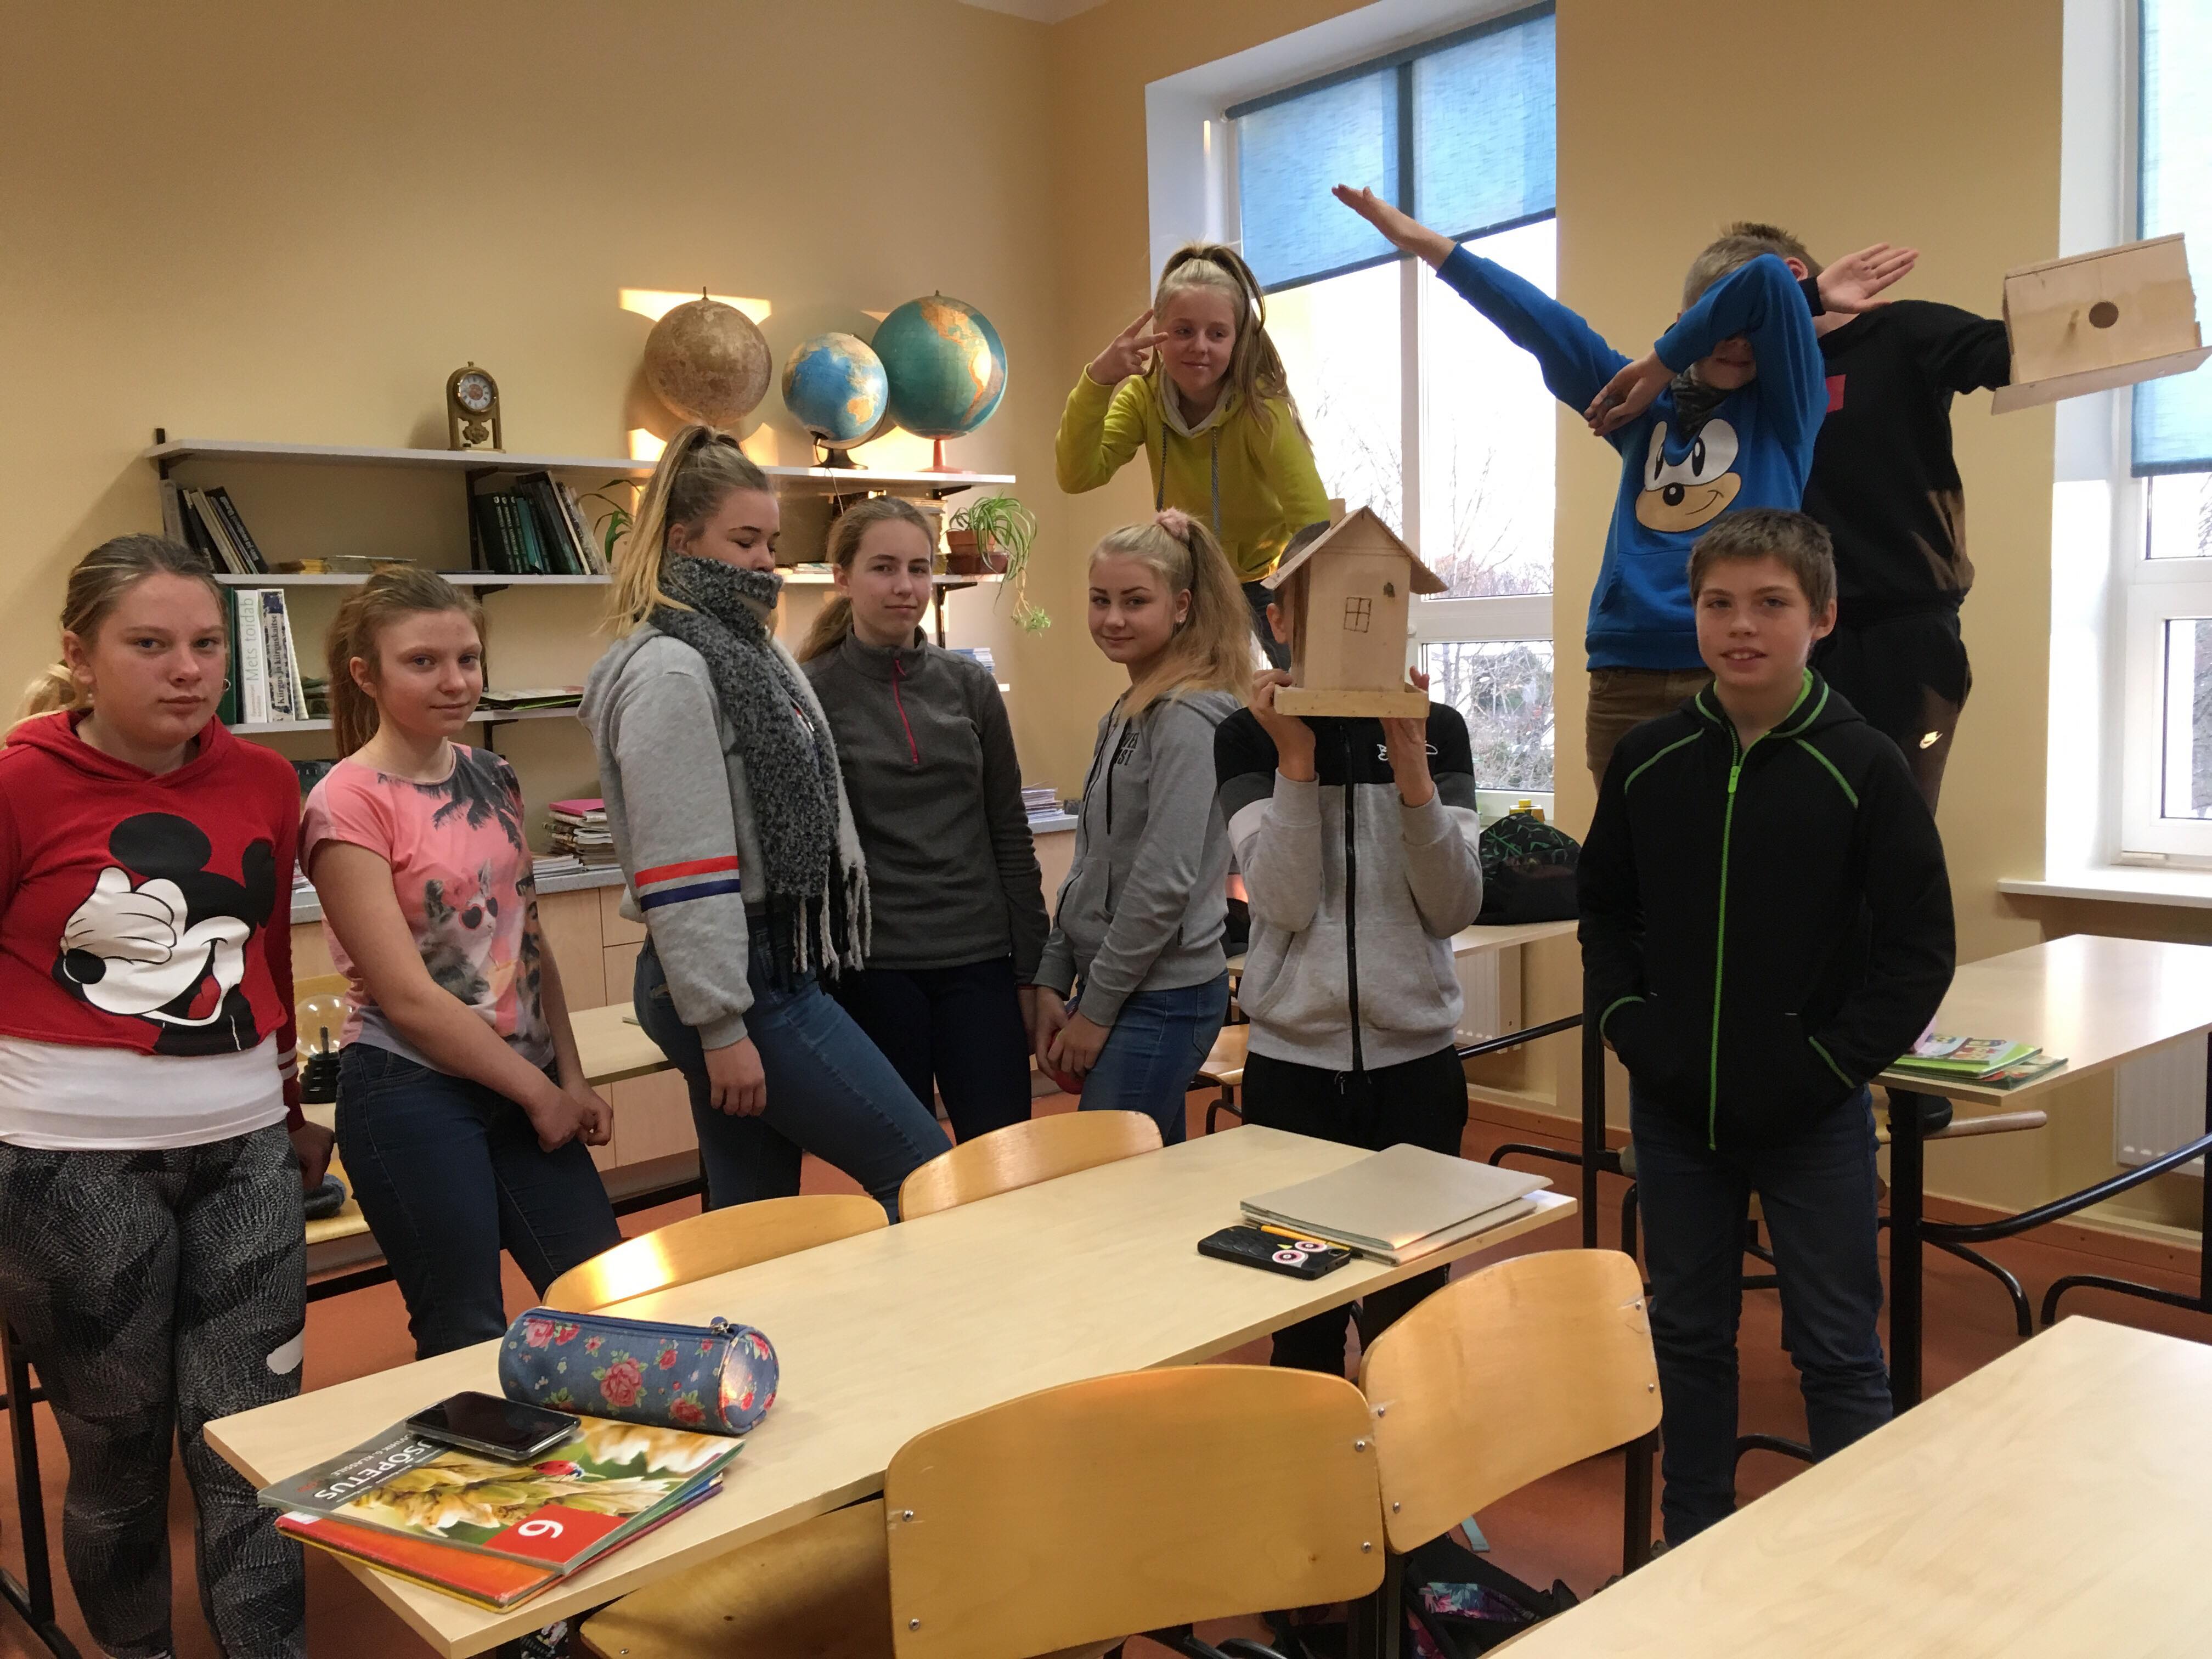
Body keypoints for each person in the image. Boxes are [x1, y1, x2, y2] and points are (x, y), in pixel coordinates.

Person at [1578, 509, 1954, 1547]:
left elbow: (1919, 951)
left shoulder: (1864, 765)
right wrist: (1632, 1026)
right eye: (1719, 603)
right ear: (1693, 614)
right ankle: (1693, 1543)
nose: (1741, 625)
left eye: (1770, 603)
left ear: (1821, 616)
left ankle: (1853, 1558)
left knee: (1836, 1349)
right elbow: (1605, 912)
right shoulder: (1649, 759)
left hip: (1812, 1117)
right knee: (1687, 1335)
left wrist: (1828, 1064)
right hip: (1676, 1115)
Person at [0, 534, 331, 1657]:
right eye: (150, 644)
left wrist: (290, 1114)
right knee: (120, 1458)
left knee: (256, 1444)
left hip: (243, 1153)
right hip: (65, 1171)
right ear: (80, 655)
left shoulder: (266, 780)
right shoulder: (18, 783)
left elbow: (268, 958)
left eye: (206, 644)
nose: (188, 670)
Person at [1333, 185, 1915, 783]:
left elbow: (1767, 280)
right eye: (1718, 325)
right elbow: (1537, 320)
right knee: (1629, 837)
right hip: (1624, 669)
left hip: (1732, 667)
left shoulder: (1788, 410)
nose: (1738, 342)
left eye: (1751, 329)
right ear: (1687, 324)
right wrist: (1421, 243)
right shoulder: (1636, 405)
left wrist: (1662, 360)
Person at [582, 425, 950, 1216]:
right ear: (681, 540)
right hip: (735, 980)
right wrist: (721, 1028)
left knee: (757, 1216)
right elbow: (681, 864)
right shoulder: (673, 669)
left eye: (771, 543)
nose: (764, 562)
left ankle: (746, 1308)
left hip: (768, 961)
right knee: (927, 1176)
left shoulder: (744, 646)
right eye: (744, 540)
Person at [303, 567, 621, 1359]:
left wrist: (570, 1076)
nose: (455, 681)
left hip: (524, 1078)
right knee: (465, 1333)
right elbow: (407, 998)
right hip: (415, 1088)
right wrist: (540, 1095)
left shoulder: (492, 773)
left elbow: (529, 943)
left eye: (468, 659)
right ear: (366, 675)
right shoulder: (346, 802)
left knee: (611, 1303)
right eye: (423, 662)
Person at [1215, 532, 1486, 1375]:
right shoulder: (1247, 737)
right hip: (1294, 1071)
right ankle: (1315, 1457)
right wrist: (1295, 760)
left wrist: (1413, 774)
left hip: (1417, 1069)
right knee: (1301, 1319)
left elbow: (1454, 906)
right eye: (1321, 601)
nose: (1353, 617)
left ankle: (1407, 1458)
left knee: (1413, 1317)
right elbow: (1284, 903)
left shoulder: (1439, 730)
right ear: (1281, 619)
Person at [1717, 222, 2006, 809]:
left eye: (1739, 313)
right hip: (1796, 633)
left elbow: (2012, 354)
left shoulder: (1899, 331)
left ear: (1793, 280)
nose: (1731, 339)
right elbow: (1675, 357)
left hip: (1906, 632)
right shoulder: (1754, 378)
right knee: (1794, 824)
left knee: (1894, 823)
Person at [797, 495, 1049, 1143]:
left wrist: (1033, 969)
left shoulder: (971, 686)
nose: (905, 587)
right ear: (843, 578)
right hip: (873, 972)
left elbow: (1009, 834)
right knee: (906, 1169)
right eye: (883, 568)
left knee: (1005, 1163)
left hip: (980, 964)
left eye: (918, 568)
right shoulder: (810, 693)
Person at [1032, 509, 1249, 1144]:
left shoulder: (1190, 716)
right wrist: (1053, 975)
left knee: (1104, 1178)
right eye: (1100, 600)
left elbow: (1163, 884)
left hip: (1165, 998)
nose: (1113, 619)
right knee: (1151, 1182)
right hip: (1118, 987)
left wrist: (1095, 1013)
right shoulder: (1128, 711)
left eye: (1135, 601)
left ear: (1181, 606)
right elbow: (1090, 865)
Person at [1056, 241, 1330, 669]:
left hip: (1265, 576)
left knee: (1308, 679)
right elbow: (1078, 474)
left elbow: (1312, 519)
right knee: (1187, 690)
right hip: (1193, 578)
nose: (1199, 346)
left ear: (1237, 340)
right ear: (1159, 333)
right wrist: (1098, 381)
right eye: (1183, 331)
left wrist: (1301, 601)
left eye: (1217, 334)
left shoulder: (1260, 408)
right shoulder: (1143, 398)